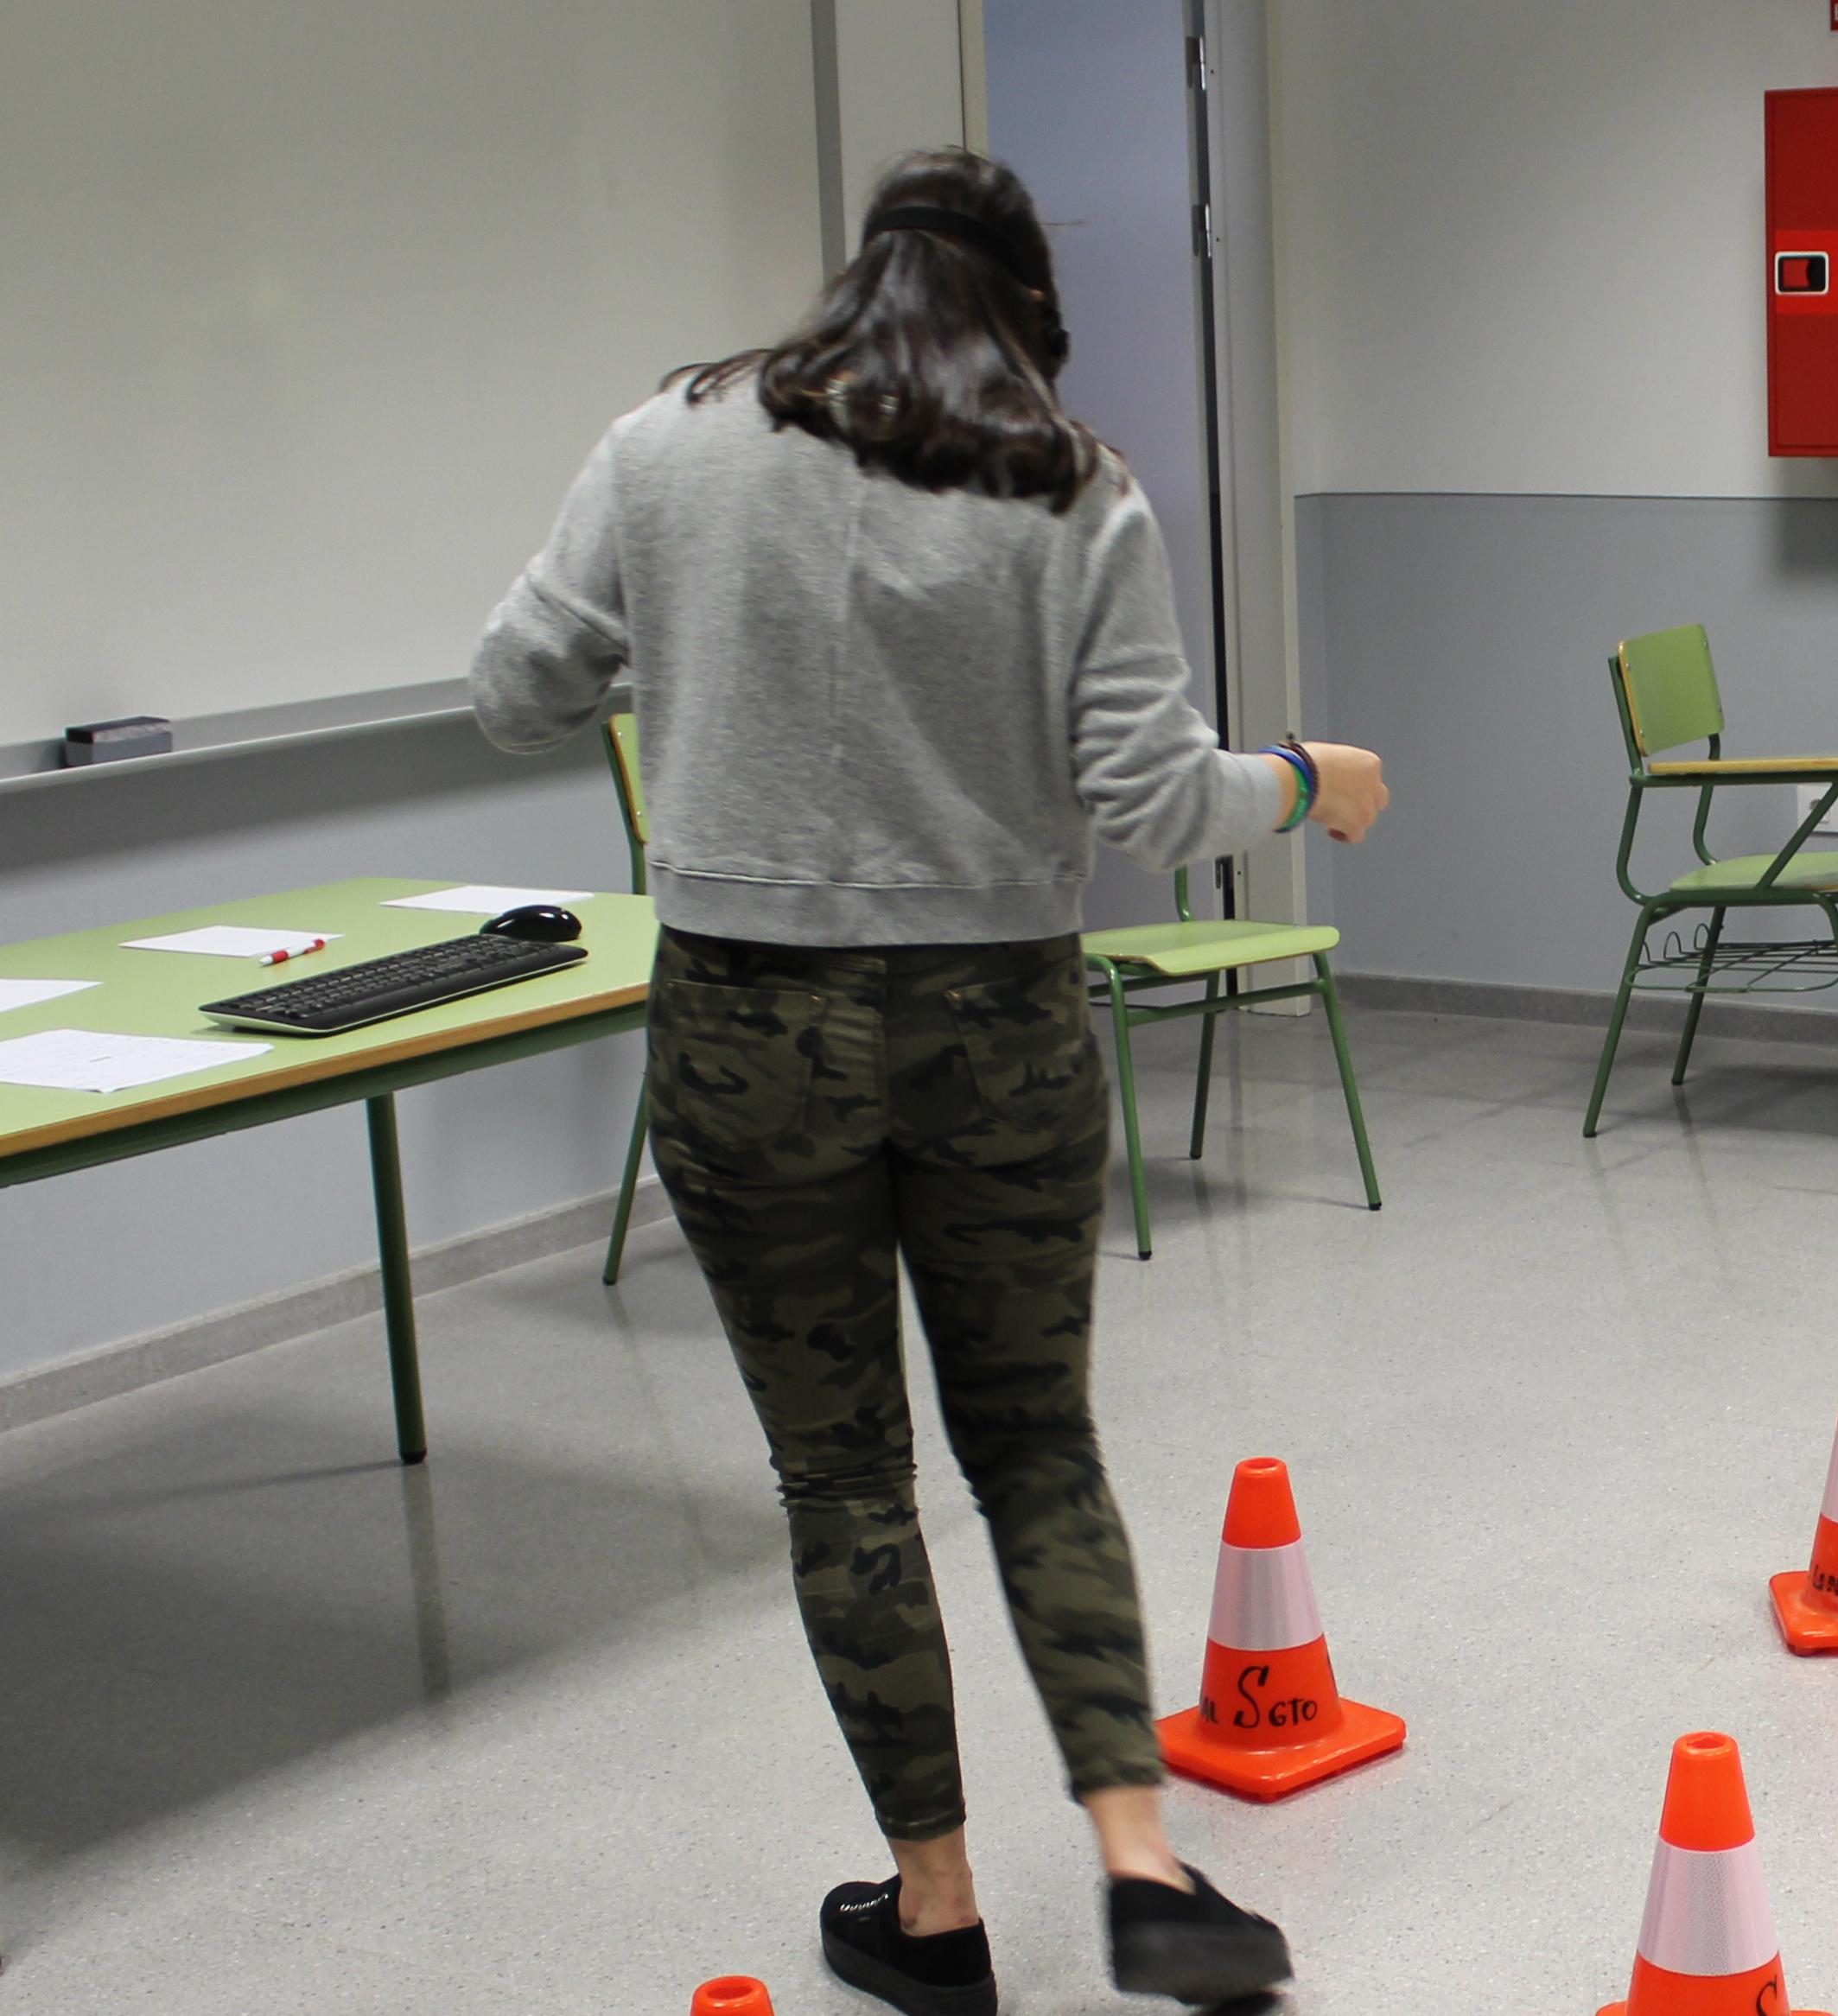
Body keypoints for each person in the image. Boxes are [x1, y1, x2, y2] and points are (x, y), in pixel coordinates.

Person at [467, 150, 1388, 2014]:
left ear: (852, 282)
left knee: (842, 1478)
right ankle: (1140, 1859)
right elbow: (1148, 800)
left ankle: (940, 1906)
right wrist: (1304, 775)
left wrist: (693, 622)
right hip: (999, 1025)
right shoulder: (1071, 483)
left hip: (747, 1029)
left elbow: (514, 686)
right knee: (1037, 1438)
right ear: (1026, 311)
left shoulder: (669, 440)